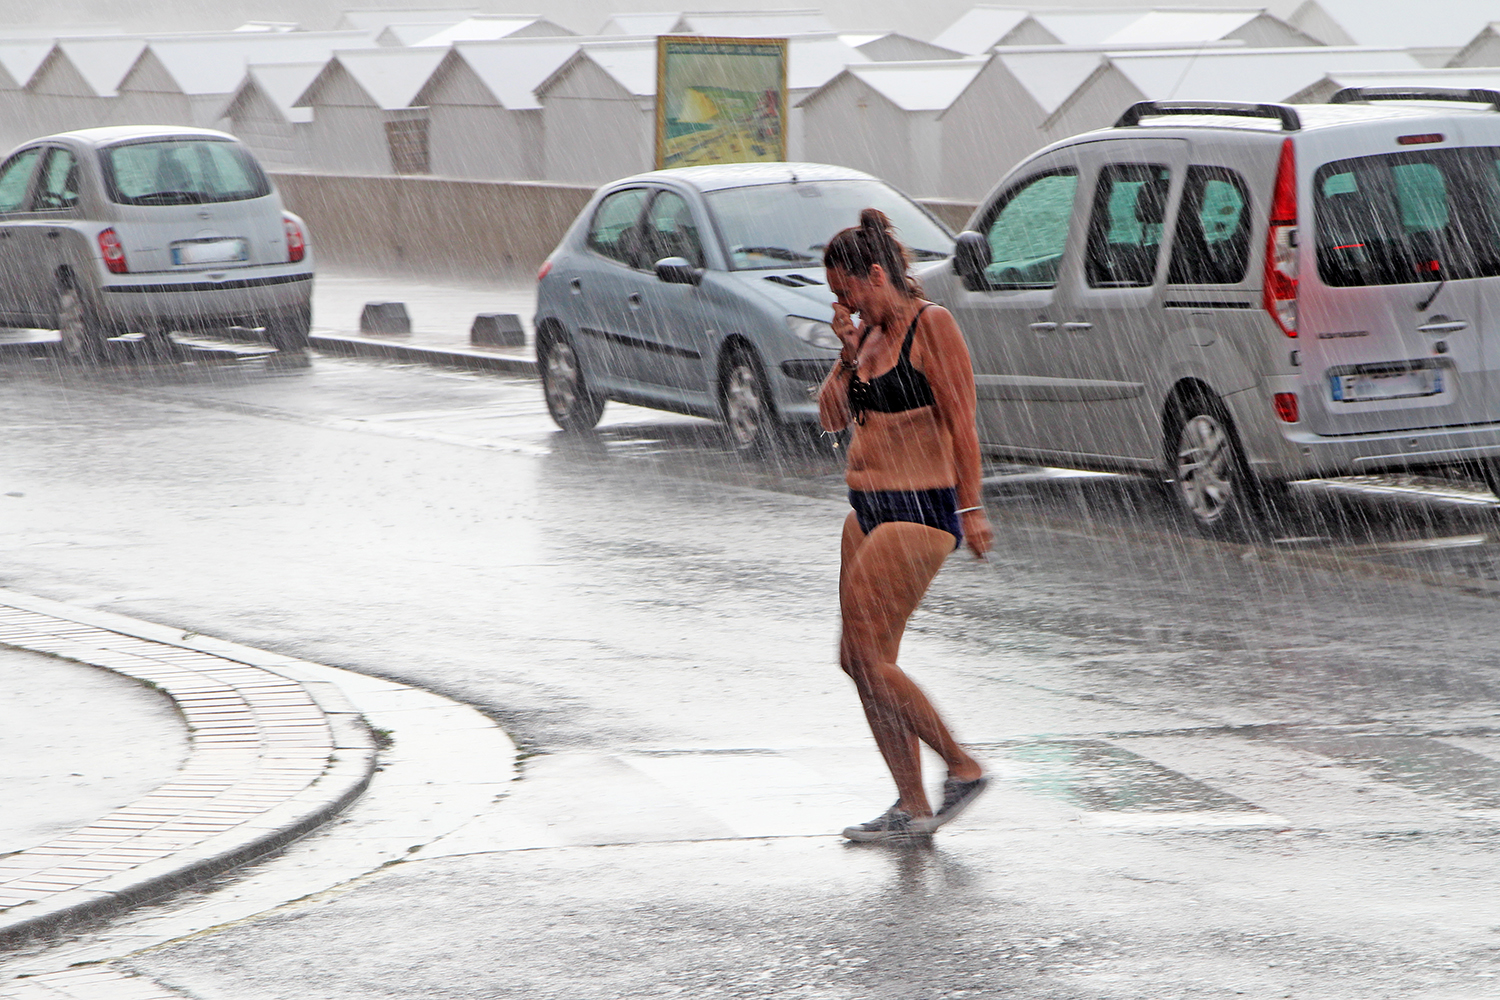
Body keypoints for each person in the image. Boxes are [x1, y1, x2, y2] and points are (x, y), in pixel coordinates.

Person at [817, 208, 992, 842]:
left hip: (921, 508)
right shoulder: (864, 340)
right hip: (864, 512)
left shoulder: (931, 326)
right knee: (857, 661)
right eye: (836, 299)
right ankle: (912, 804)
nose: (845, 305)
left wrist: (970, 508)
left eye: (847, 292)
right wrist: (844, 349)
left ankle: (963, 766)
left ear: (874, 273)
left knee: (867, 654)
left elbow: (963, 423)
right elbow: (833, 419)